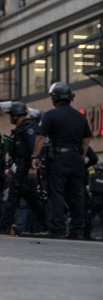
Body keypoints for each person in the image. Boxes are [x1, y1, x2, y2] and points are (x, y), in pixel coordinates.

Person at [30, 83, 92, 239]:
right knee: (77, 195)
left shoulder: (50, 115)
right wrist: (81, 155)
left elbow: (41, 137)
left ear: (54, 99)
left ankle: (57, 228)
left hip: (58, 160)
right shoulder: (80, 116)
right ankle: (77, 229)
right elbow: (86, 140)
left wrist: (35, 157)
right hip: (76, 159)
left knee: (57, 194)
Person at [0, 101, 46, 235]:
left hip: (25, 170)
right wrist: (12, 167)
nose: (9, 117)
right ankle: (47, 224)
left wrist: (33, 168)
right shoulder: (20, 130)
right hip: (20, 170)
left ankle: (49, 225)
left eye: (11, 115)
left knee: (27, 200)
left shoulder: (28, 129)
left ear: (17, 115)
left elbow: (35, 147)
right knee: (20, 199)